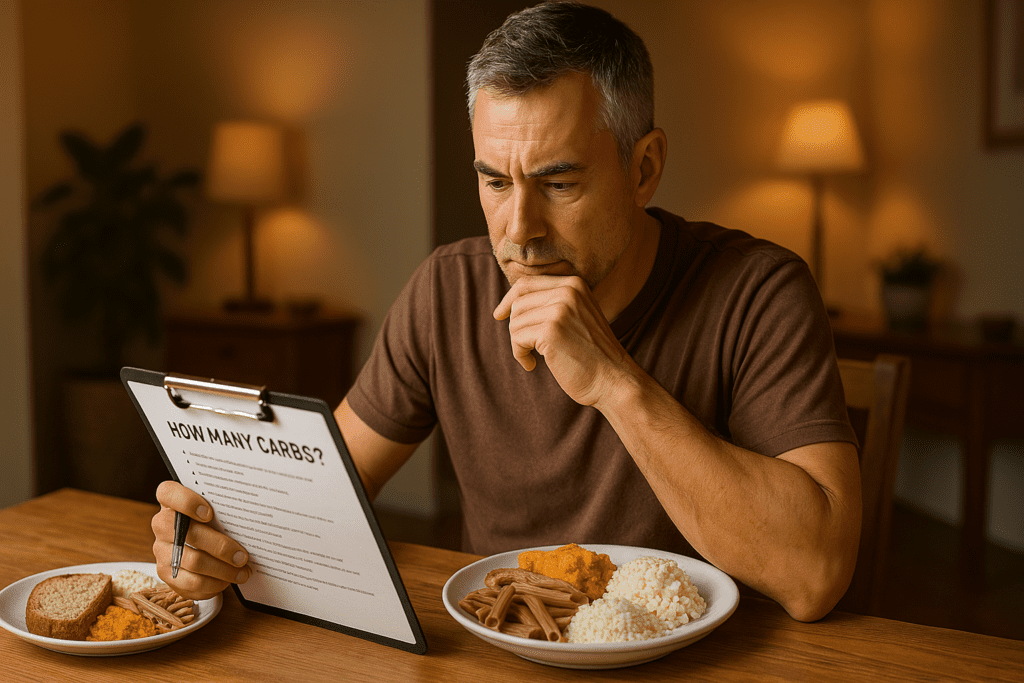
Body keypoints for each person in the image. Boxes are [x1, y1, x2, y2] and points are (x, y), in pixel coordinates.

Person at [152, 1, 860, 622]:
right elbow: (318, 497)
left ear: (644, 167)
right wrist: (214, 538)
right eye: (494, 180)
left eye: (559, 182)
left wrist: (614, 380)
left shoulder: (758, 290)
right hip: (500, 652)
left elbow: (814, 575)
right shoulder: (448, 289)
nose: (519, 228)